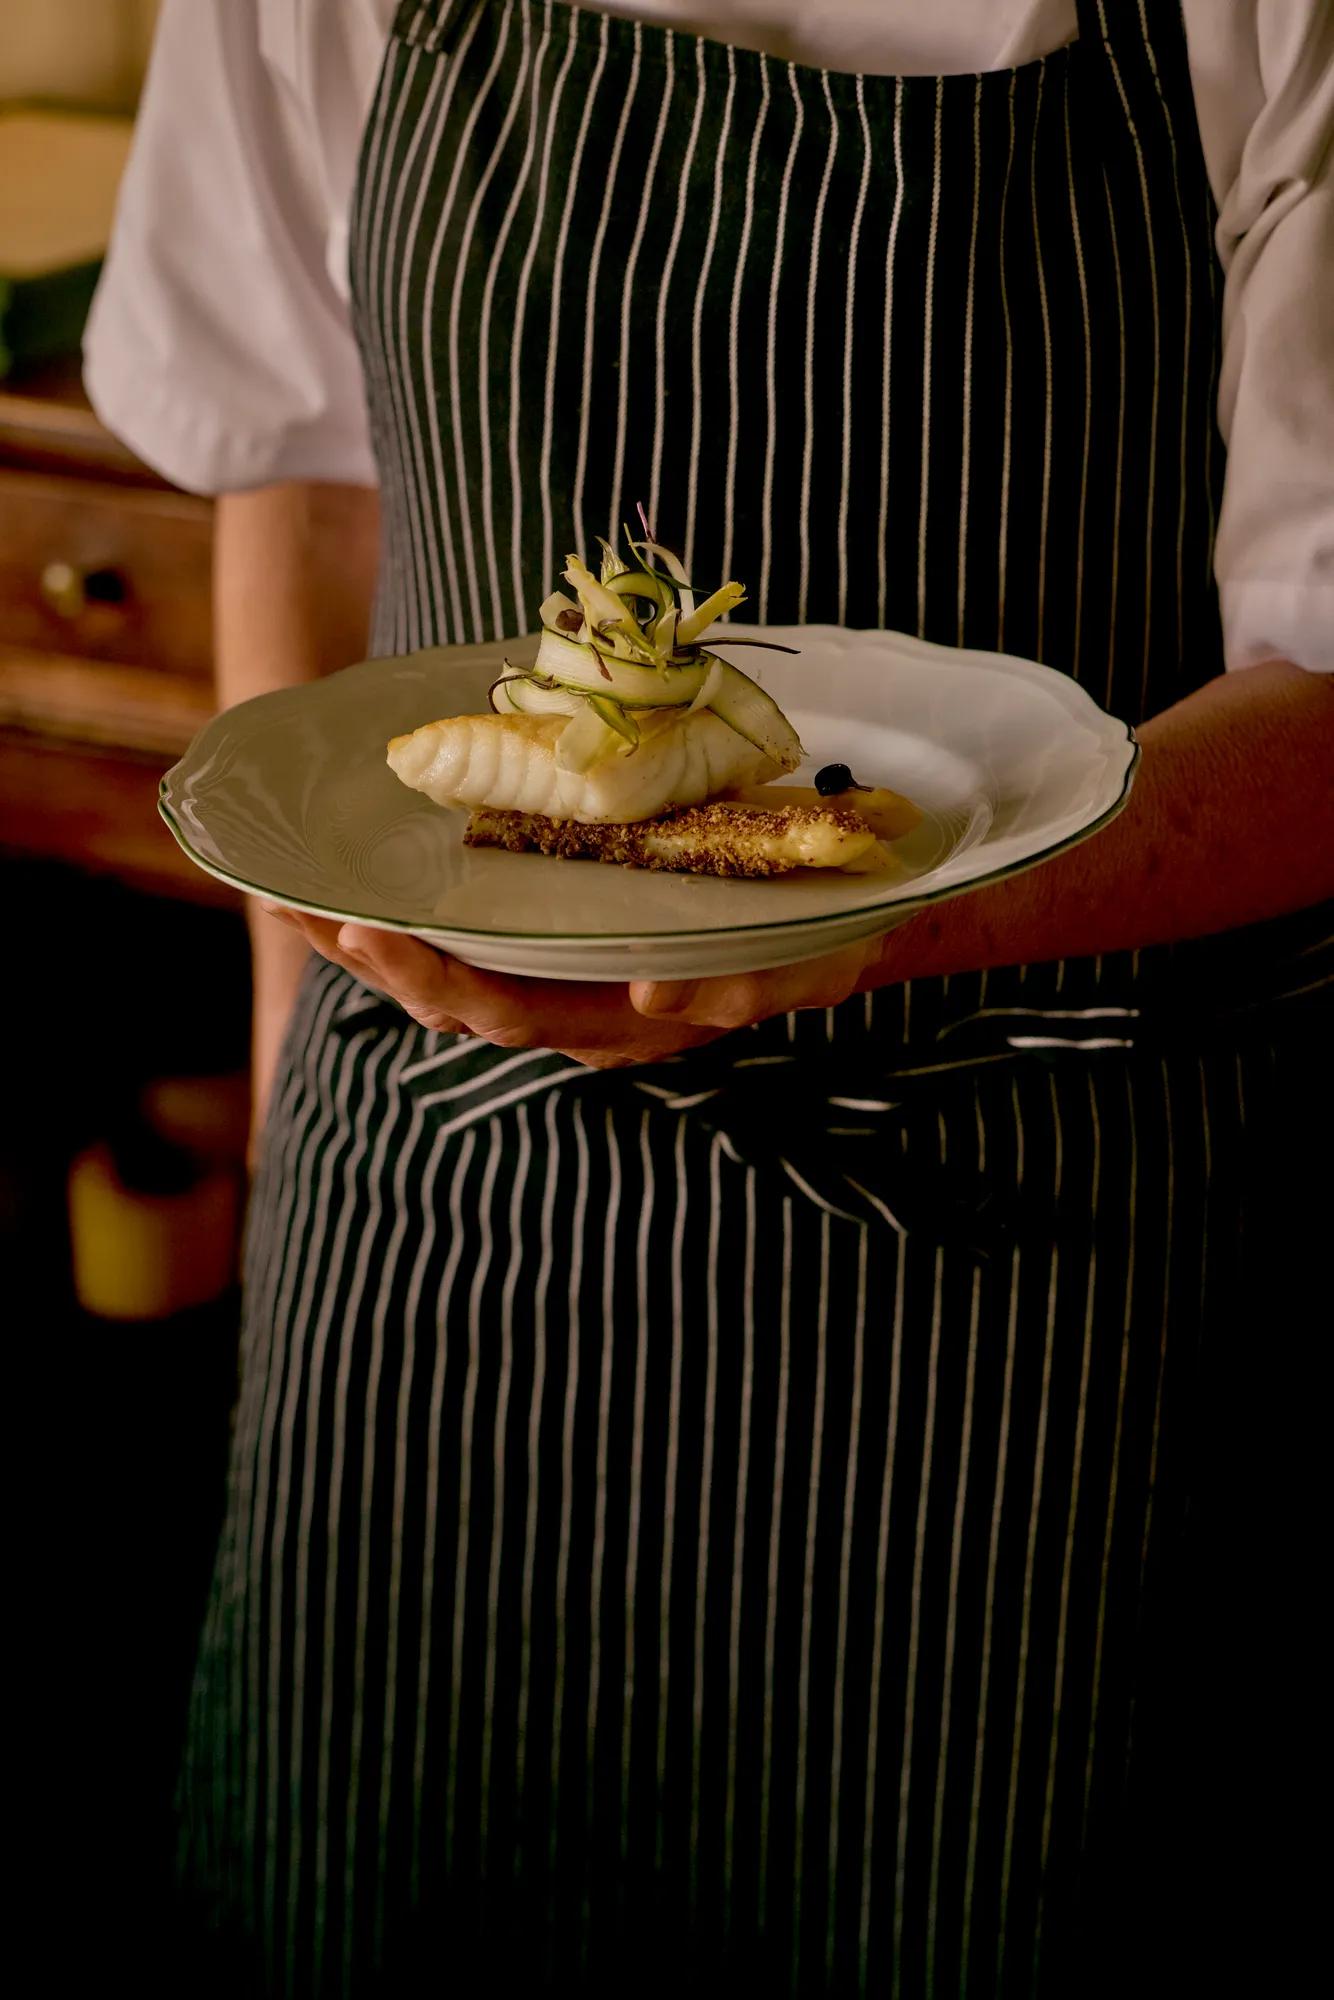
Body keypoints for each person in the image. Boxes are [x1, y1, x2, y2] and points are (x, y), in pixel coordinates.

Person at [86, 2, 1332, 1994]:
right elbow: (305, 492)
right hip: (425, 1203)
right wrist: (288, 1083)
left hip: (1044, 1261)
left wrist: (888, 921)